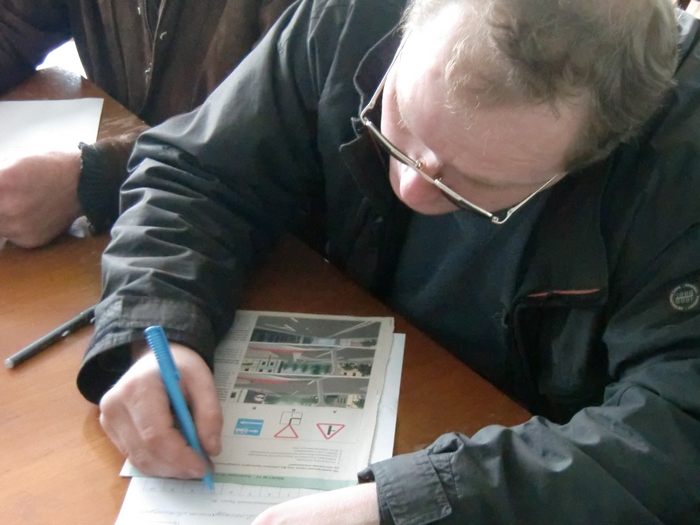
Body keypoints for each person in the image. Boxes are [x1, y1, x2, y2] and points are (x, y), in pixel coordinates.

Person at [78, 0, 700, 523]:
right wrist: (157, 330)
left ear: (591, 155)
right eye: (399, 115)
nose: (411, 187)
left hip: (509, 451)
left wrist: (413, 505)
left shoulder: (680, 166)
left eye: (474, 183)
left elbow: (677, 432)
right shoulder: (353, 15)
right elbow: (199, 171)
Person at [0, 0, 294, 248]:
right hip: (127, 231)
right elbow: (13, 24)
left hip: (258, 244)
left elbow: (267, 135)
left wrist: (95, 178)